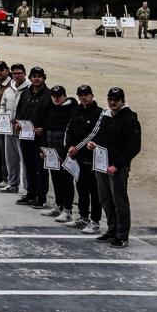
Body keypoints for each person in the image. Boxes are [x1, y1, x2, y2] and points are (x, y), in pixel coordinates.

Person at [89, 87, 141, 248]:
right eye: (110, 99)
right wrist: (93, 144)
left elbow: (134, 147)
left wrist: (117, 165)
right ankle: (112, 230)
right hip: (101, 164)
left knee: (120, 202)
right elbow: (100, 137)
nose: (112, 102)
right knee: (106, 199)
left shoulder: (130, 120)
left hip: (117, 167)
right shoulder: (106, 117)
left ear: (122, 101)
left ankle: (122, 235)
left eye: (116, 100)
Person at [65, 85, 105, 234]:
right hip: (77, 157)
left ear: (92, 95)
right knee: (81, 188)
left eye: (86, 94)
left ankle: (95, 221)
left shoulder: (100, 113)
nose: (84, 97)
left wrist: (77, 148)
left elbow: (94, 133)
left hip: (91, 157)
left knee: (94, 191)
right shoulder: (75, 111)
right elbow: (69, 129)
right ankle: (83, 217)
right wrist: (69, 146)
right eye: (81, 94)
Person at [14, 66, 51, 207]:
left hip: (40, 137)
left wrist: (44, 129)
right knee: (28, 166)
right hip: (25, 135)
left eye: (39, 76)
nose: (36, 78)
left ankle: (41, 198)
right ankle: (30, 194)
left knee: (40, 168)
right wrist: (17, 122)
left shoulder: (48, 94)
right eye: (34, 76)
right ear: (30, 78)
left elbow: (51, 116)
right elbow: (19, 111)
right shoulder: (25, 93)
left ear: (44, 78)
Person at [39, 86, 77, 223]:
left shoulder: (72, 110)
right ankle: (59, 206)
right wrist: (44, 149)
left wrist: (65, 152)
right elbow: (45, 130)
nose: (56, 98)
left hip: (64, 152)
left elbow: (71, 133)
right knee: (55, 179)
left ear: (65, 95)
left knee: (66, 181)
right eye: (54, 95)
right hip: (51, 151)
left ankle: (67, 210)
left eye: (59, 95)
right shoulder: (50, 108)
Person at [0, 63, 30, 194]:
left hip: (22, 131)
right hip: (8, 129)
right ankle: (12, 184)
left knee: (24, 161)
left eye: (19, 73)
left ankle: (27, 188)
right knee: (11, 158)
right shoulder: (9, 89)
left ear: (24, 73)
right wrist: (0, 117)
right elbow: (2, 105)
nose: (17, 76)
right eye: (14, 73)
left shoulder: (29, 89)